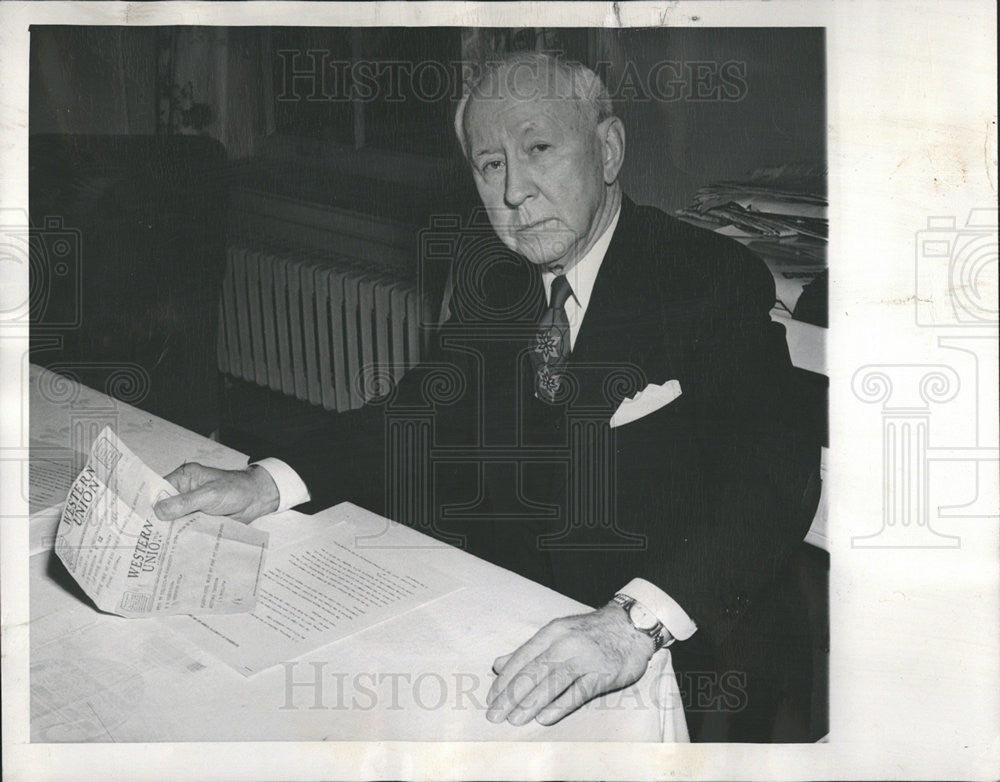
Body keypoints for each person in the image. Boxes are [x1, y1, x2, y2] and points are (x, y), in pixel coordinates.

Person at [155, 52, 821, 741]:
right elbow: (417, 415)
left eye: (538, 149)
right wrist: (265, 482)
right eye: (490, 164)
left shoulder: (708, 278)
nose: (513, 193)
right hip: (518, 621)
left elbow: (774, 479)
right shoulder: (494, 286)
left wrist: (635, 621)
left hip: (689, 645)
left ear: (609, 148)